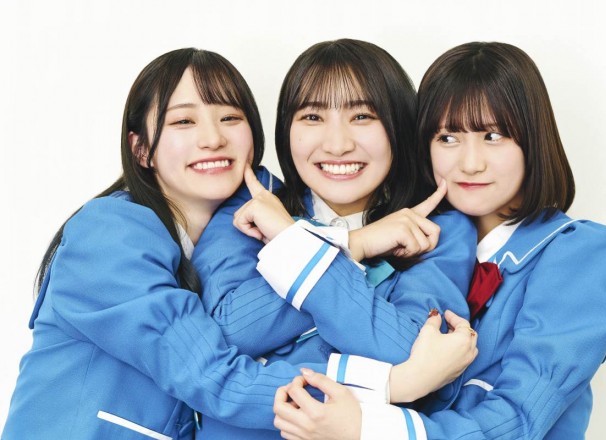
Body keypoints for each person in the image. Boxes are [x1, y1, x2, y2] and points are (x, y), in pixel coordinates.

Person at [3, 47, 476, 440]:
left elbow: (410, 343)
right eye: (183, 122)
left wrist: (299, 251)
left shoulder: (437, 229)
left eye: (229, 117)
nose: (212, 138)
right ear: (141, 149)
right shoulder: (111, 233)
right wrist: (395, 381)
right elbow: (218, 363)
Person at [272, 41, 606, 439]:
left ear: (532, 140)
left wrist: (364, 427)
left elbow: (520, 418)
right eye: (447, 138)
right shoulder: (409, 239)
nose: (470, 163)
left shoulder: (583, 253)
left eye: (493, 136)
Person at [193, 39, 478, 438]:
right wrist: (356, 242)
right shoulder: (253, 203)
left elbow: (410, 351)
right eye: (312, 117)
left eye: (362, 116)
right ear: (286, 129)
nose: (338, 144)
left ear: (398, 124)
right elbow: (223, 333)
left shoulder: (438, 229)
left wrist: (290, 241)